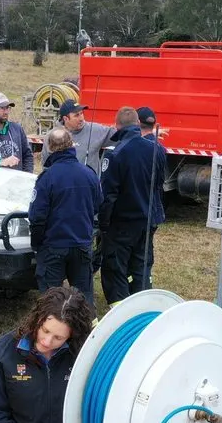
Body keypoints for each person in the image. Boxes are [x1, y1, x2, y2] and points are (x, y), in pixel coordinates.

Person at [0, 286, 96, 423]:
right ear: (38, 319)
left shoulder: (81, 356)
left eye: (58, 337)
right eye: (45, 330)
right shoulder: (3, 354)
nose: (46, 341)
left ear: (72, 336)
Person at [100, 105, 167, 305]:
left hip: (122, 222)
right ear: (138, 124)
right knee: (141, 265)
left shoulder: (115, 153)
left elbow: (108, 194)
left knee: (116, 267)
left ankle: (120, 310)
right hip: (147, 220)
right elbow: (158, 184)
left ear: (116, 126)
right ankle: (143, 306)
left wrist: (103, 224)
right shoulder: (157, 149)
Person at [29, 127, 101, 304]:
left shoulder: (47, 178)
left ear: (50, 148)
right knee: (84, 297)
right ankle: (88, 328)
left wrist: (36, 244)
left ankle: (53, 328)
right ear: (71, 145)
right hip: (82, 244)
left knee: (51, 299)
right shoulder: (89, 174)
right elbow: (98, 204)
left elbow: (37, 216)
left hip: (53, 247)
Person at [60, 100, 114, 178]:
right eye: (76, 115)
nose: (81, 118)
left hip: (90, 188)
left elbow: (120, 136)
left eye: (81, 113)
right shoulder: (53, 136)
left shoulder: (96, 130)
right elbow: (47, 167)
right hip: (64, 187)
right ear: (65, 119)